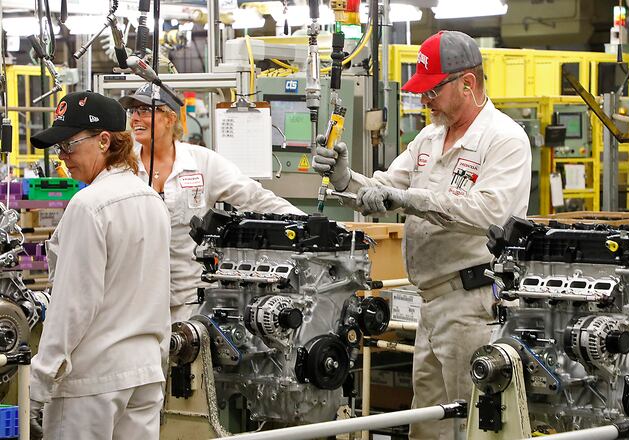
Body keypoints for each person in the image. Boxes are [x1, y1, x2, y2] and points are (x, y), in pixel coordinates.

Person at [313, 30, 532, 439]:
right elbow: (385, 189)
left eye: (432, 90)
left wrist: (407, 198)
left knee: (479, 423)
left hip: (473, 306)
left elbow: (489, 213)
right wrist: (345, 180)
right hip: (429, 304)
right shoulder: (429, 137)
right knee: (428, 426)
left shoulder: (504, 139)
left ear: (468, 83)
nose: (423, 100)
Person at [29, 91, 171, 439]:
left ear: (104, 140)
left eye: (69, 146)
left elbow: (74, 304)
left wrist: (40, 380)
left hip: (91, 382)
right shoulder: (152, 201)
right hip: (144, 375)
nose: (63, 158)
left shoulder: (88, 205)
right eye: (59, 149)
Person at [118, 84, 304, 322]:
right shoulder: (122, 166)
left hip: (189, 302)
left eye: (144, 110)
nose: (135, 118)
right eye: (132, 111)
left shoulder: (201, 163)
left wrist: (312, 225)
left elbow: (255, 198)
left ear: (169, 118)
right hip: (135, 302)